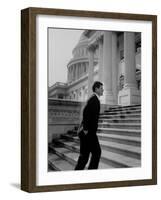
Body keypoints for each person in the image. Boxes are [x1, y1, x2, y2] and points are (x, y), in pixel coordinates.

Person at [75, 81, 104, 170]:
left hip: (87, 133)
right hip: (89, 133)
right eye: (101, 89)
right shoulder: (94, 100)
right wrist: (86, 130)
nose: (103, 90)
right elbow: (85, 113)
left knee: (84, 157)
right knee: (96, 153)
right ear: (96, 89)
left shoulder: (93, 99)